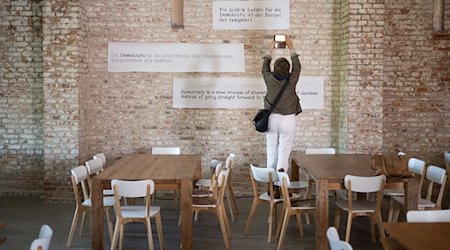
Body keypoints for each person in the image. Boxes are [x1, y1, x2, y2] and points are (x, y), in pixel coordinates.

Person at [262, 36, 302, 174]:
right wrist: (291, 47)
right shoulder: (292, 79)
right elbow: (298, 66)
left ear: (274, 68)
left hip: (272, 119)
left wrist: (270, 49)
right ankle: (281, 183)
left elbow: (264, 66)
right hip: (288, 119)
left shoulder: (269, 78)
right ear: (288, 69)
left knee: (271, 150)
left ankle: (270, 182)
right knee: (284, 150)